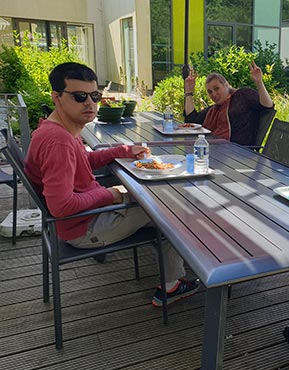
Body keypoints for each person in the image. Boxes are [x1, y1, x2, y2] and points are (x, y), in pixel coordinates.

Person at [25, 62, 199, 308]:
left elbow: (84, 161)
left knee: (158, 199)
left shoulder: (57, 130)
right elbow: (61, 206)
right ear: (57, 97)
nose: (89, 103)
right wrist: (111, 195)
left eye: (95, 96)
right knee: (171, 209)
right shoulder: (58, 142)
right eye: (79, 96)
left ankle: (176, 264)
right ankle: (173, 284)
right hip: (84, 227)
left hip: (82, 217)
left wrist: (124, 150)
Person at [183, 61, 275, 145]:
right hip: (218, 150)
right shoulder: (214, 109)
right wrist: (188, 92)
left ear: (226, 85)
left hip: (241, 154)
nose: (214, 94)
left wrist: (259, 82)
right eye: (210, 92)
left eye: (216, 88)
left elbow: (268, 106)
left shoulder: (243, 95)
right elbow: (191, 120)